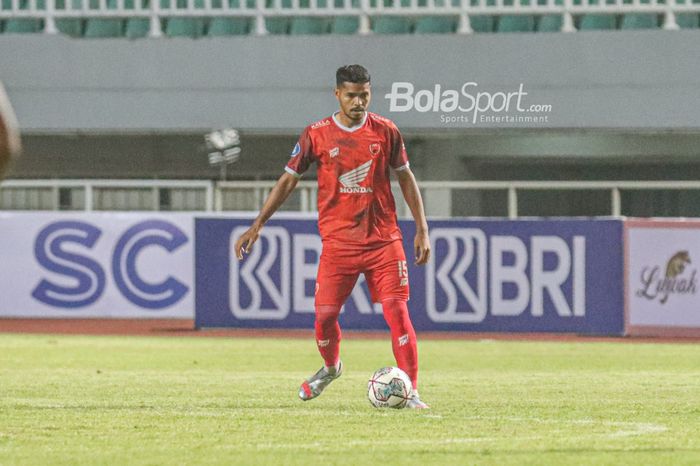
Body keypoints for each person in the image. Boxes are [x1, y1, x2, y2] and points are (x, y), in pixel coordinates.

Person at [234, 64, 431, 409]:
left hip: (384, 241)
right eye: (352, 95)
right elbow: (288, 180)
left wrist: (422, 229)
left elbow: (405, 177)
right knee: (324, 317)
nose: (359, 102)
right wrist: (258, 224)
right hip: (338, 244)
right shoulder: (316, 134)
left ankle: (411, 390)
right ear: (337, 94)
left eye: (365, 94)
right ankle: (330, 367)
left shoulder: (386, 131)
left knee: (398, 311)